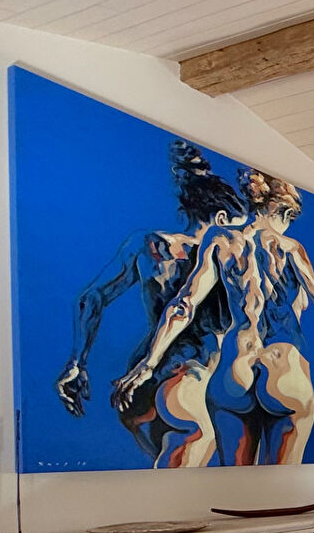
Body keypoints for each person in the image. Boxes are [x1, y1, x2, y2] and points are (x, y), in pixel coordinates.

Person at [112, 167, 314, 465]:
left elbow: (184, 304)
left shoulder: (220, 240)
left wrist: (148, 363)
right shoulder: (291, 248)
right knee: (286, 479)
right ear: (283, 212)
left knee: (234, 481)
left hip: (235, 369)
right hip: (284, 369)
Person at [56, 140, 246, 467]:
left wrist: (77, 362)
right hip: (189, 372)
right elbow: (189, 308)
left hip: (140, 379)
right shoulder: (225, 255)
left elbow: (91, 297)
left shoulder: (149, 246)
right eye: (236, 227)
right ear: (221, 218)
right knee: (193, 454)